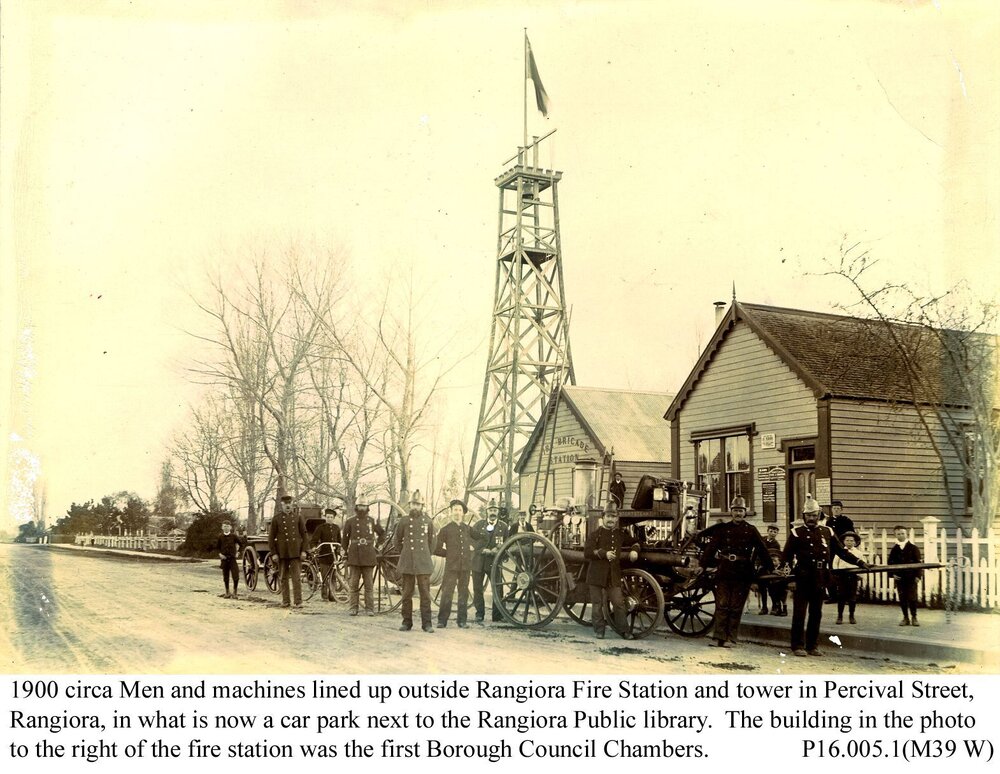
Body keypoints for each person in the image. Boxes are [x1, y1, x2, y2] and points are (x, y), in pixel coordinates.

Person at [783, 495, 867, 656]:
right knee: (800, 613)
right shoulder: (796, 533)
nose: (811, 518)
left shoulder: (827, 532)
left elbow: (842, 551)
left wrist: (860, 562)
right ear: (804, 516)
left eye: (814, 515)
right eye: (808, 515)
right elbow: (786, 558)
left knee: (816, 613)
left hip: (820, 577)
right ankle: (797, 646)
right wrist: (791, 579)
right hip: (802, 577)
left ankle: (812, 646)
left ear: (819, 516)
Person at [701, 496, 771, 647]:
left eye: (741, 511)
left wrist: (771, 567)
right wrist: (703, 564)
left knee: (735, 606)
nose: (738, 513)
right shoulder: (723, 529)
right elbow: (711, 548)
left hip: (743, 572)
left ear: (745, 513)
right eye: (735, 511)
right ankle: (718, 637)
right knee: (722, 604)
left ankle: (731, 638)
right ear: (731, 512)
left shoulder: (751, 530)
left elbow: (762, 550)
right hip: (724, 571)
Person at [584, 501, 637, 640]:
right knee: (597, 605)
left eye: (613, 517)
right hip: (596, 575)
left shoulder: (620, 534)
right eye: (608, 516)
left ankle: (624, 631)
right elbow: (587, 552)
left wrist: (634, 550)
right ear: (603, 517)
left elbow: (636, 542)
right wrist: (603, 553)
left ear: (617, 518)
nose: (610, 519)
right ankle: (599, 630)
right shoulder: (596, 534)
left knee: (618, 604)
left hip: (613, 576)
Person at [394, 490, 435, 633]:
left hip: (423, 563)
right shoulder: (404, 521)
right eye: (413, 504)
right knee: (406, 594)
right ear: (409, 505)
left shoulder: (428, 521)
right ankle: (406, 622)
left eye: (418, 504)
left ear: (422, 506)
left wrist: (423, 555)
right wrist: (405, 553)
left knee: (425, 595)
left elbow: (432, 543)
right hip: (408, 562)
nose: (415, 507)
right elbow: (397, 541)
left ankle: (427, 624)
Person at [434, 499, 474, 628]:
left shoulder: (468, 529)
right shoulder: (445, 530)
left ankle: (462, 621)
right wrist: (449, 554)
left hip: (465, 567)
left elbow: (482, 539)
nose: (457, 512)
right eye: (455, 510)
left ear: (463, 513)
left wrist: (472, 553)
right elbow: (436, 548)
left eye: (460, 510)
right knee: (447, 593)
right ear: (451, 512)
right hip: (451, 567)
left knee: (463, 593)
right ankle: (442, 621)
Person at [341, 494, 384, 616]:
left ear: (367, 507)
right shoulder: (350, 521)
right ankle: (353, 608)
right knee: (354, 584)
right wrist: (344, 553)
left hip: (369, 556)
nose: (362, 508)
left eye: (364, 506)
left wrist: (378, 546)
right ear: (356, 506)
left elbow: (382, 533)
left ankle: (369, 608)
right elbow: (345, 539)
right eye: (360, 505)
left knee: (369, 585)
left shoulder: (372, 521)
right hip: (354, 556)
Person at [471, 499, 510, 624]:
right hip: (478, 561)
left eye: (495, 510)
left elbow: (507, 542)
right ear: (487, 512)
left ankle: (497, 616)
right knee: (477, 588)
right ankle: (479, 614)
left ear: (497, 512)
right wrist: (482, 550)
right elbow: (471, 540)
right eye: (490, 510)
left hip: (494, 562)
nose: (492, 512)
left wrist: (498, 550)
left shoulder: (503, 527)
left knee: (497, 588)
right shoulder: (478, 525)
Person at [268, 494, 309, 608]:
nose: (287, 506)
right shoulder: (276, 518)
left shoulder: (298, 517)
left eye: (289, 504)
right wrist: (274, 553)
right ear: (282, 505)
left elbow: (304, 535)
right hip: (282, 553)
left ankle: (298, 602)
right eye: (285, 504)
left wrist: (304, 551)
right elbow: (271, 538)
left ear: (292, 504)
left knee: (296, 578)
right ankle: (286, 601)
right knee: (283, 577)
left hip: (295, 552)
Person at [888, 525, 922, 626]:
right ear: (895, 535)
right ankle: (905, 618)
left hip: (911, 578)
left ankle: (914, 617)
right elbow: (890, 563)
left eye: (902, 533)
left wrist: (918, 576)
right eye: (898, 534)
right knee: (902, 598)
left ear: (906, 534)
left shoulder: (913, 548)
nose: (901, 535)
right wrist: (893, 574)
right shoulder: (894, 549)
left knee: (912, 598)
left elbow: (919, 563)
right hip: (900, 578)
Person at [833, 531, 864, 624]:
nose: (849, 542)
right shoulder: (840, 552)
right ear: (843, 541)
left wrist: (860, 575)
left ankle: (851, 616)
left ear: (855, 542)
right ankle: (840, 616)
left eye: (851, 540)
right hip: (842, 576)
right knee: (841, 596)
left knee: (852, 597)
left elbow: (862, 565)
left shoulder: (858, 553)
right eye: (847, 540)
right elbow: (835, 564)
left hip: (853, 576)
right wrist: (836, 574)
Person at [313, 507, 343, 602]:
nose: (329, 518)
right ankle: (325, 596)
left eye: (331, 517)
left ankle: (332, 595)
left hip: (333, 556)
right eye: (328, 517)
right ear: (325, 517)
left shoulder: (336, 528)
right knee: (325, 576)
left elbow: (339, 541)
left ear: (334, 518)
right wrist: (314, 547)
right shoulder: (320, 528)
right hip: (324, 555)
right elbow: (314, 540)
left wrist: (340, 549)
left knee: (333, 576)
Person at [757, 524, 786, 616]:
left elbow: (774, 556)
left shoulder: (776, 544)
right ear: (767, 531)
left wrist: (770, 567)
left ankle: (774, 606)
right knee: (762, 588)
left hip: (770, 568)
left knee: (771, 588)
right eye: (771, 531)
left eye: (775, 532)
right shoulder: (762, 540)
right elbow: (758, 552)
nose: (772, 533)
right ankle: (764, 607)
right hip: (762, 567)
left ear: (777, 533)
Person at [215, 519, 246, 599]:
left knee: (236, 575)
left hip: (232, 559)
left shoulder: (234, 536)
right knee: (226, 576)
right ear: (222, 527)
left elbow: (241, 545)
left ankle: (235, 592)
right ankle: (227, 592)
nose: (226, 528)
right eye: (224, 526)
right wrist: (220, 554)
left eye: (228, 526)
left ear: (230, 527)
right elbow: (217, 548)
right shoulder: (220, 537)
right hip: (224, 559)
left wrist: (238, 552)